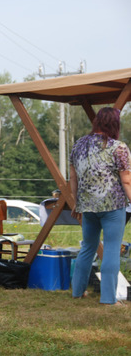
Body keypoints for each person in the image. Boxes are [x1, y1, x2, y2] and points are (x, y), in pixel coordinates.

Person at [70, 107, 131, 305]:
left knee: (88, 247)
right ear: (115, 124)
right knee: (112, 249)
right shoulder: (118, 147)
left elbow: (73, 178)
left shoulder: (78, 145)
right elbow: (127, 181)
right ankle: (108, 299)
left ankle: (77, 292)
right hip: (113, 206)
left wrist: (76, 202)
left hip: (87, 207)